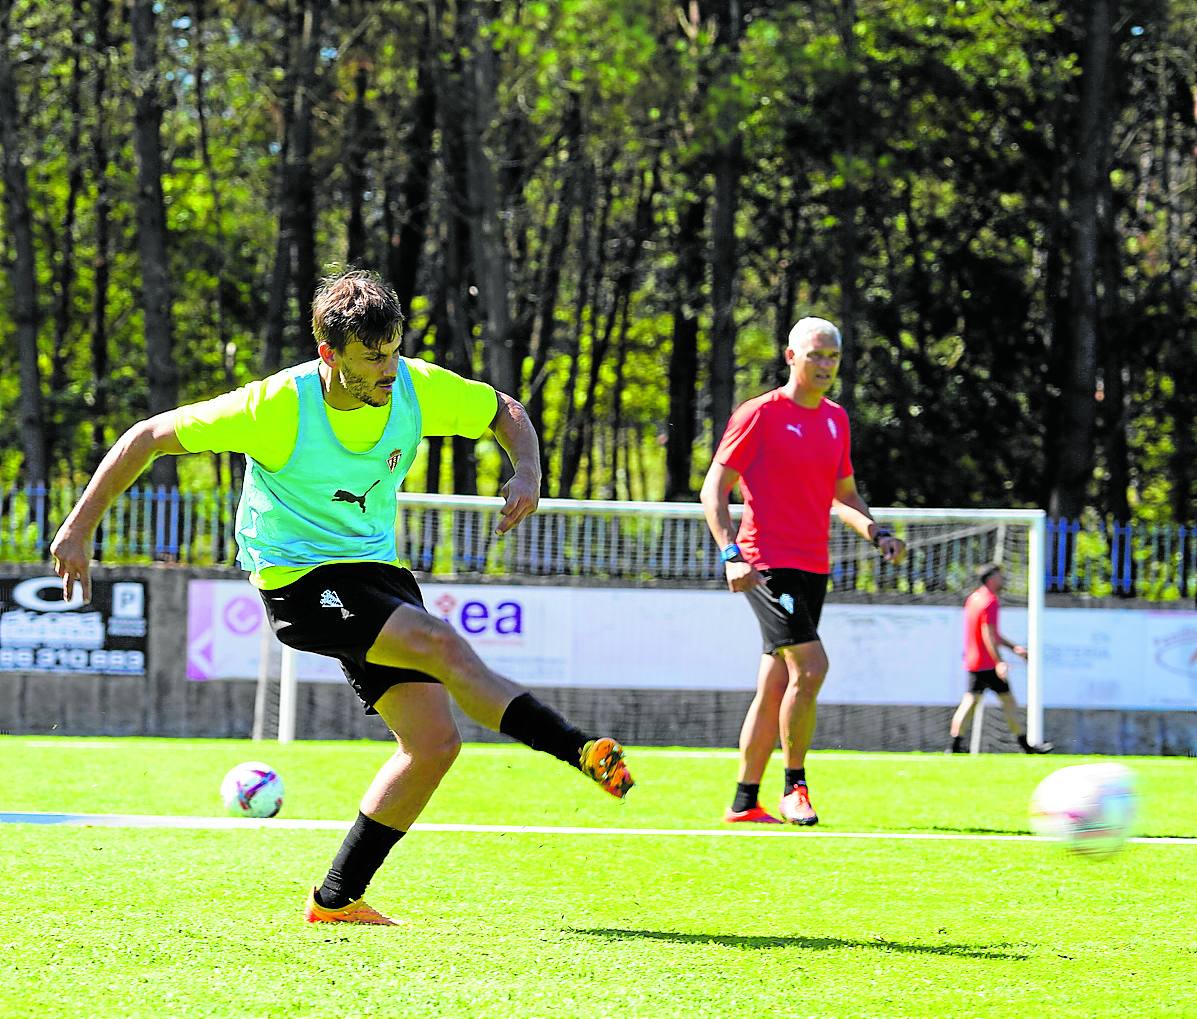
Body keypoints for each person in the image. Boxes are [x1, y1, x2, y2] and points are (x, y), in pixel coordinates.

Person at [49, 268, 633, 925]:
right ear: (329, 353)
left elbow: (505, 410)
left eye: (394, 352)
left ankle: (336, 899)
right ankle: (576, 747)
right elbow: (147, 437)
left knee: (433, 743)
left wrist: (527, 468)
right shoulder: (276, 406)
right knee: (439, 643)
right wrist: (78, 528)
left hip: (375, 571)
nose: (389, 370)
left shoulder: (413, 386)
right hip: (297, 579)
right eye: (373, 358)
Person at [700, 317, 906, 826]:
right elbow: (713, 490)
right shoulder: (760, 414)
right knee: (811, 669)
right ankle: (795, 787)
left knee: (776, 684)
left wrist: (877, 533)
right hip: (766, 566)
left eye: (833, 356)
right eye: (815, 355)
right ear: (791, 356)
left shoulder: (836, 419)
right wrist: (731, 555)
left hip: (814, 568)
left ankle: (744, 802)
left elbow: (845, 495)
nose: (825, 365)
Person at [947, 564, 1053, 754]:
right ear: (991, 579)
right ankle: (1025, 746)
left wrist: (1014, 648)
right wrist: (999, 662)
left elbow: (991, 634)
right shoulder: (990, 601)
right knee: (1008, 702)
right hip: (988, 663)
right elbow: (988, 634)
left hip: (974, 661)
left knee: (970, 701)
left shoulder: (974, 598)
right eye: (999, 576)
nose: (1003, 579)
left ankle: (954, 746)